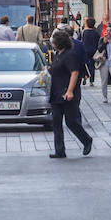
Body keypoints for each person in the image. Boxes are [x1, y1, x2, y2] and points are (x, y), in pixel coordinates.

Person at [47, 30, 93, 158]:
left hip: (68, 93)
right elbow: (56, 70)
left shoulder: (70, 55)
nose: (52, 43)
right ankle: (59, 151)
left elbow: (75, 73)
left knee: (71, 121)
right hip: (56, 93)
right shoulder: (57, 55)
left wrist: (70, 91)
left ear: (59, 43)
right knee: (56, 122)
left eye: (54, 41)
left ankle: (86, 140)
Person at [81, 17, 101, 84]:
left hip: (86, 50)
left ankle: (85, 75)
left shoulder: (85, 32)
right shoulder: (96, 33)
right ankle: (91, 81)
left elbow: (83, 42)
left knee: (86, 64)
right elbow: (98, 42)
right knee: (92, 65)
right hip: (94, 51)